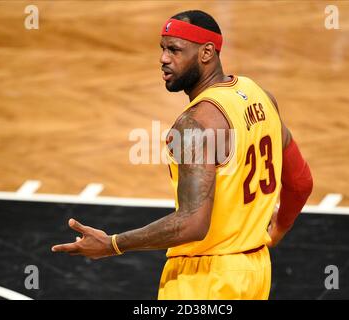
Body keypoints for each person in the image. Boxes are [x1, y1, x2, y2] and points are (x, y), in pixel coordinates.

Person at [52, 10, 313, 300]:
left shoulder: (195, 124)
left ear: (206, 52)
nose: (163, 58)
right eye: (162, 49)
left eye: (174, 49)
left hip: (204, 281)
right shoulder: (260, 96)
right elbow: (301, 183)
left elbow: (192, 224)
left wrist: (112, 244)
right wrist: (278, 228)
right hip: (255, 270)